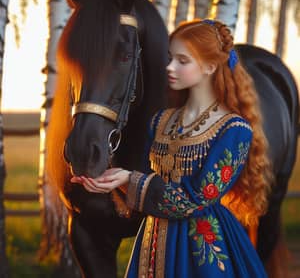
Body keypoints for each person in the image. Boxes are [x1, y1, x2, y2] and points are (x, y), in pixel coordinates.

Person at [71, 19, 270, 277]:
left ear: (210, 66)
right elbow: (142, 190)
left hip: (202, 251)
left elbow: (194, 200)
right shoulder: (160, 121)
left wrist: (129, 179)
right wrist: (108, 182)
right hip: (153, 244)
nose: (170, 67)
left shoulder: (234, 131)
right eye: (170, 58)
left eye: (182, 61)